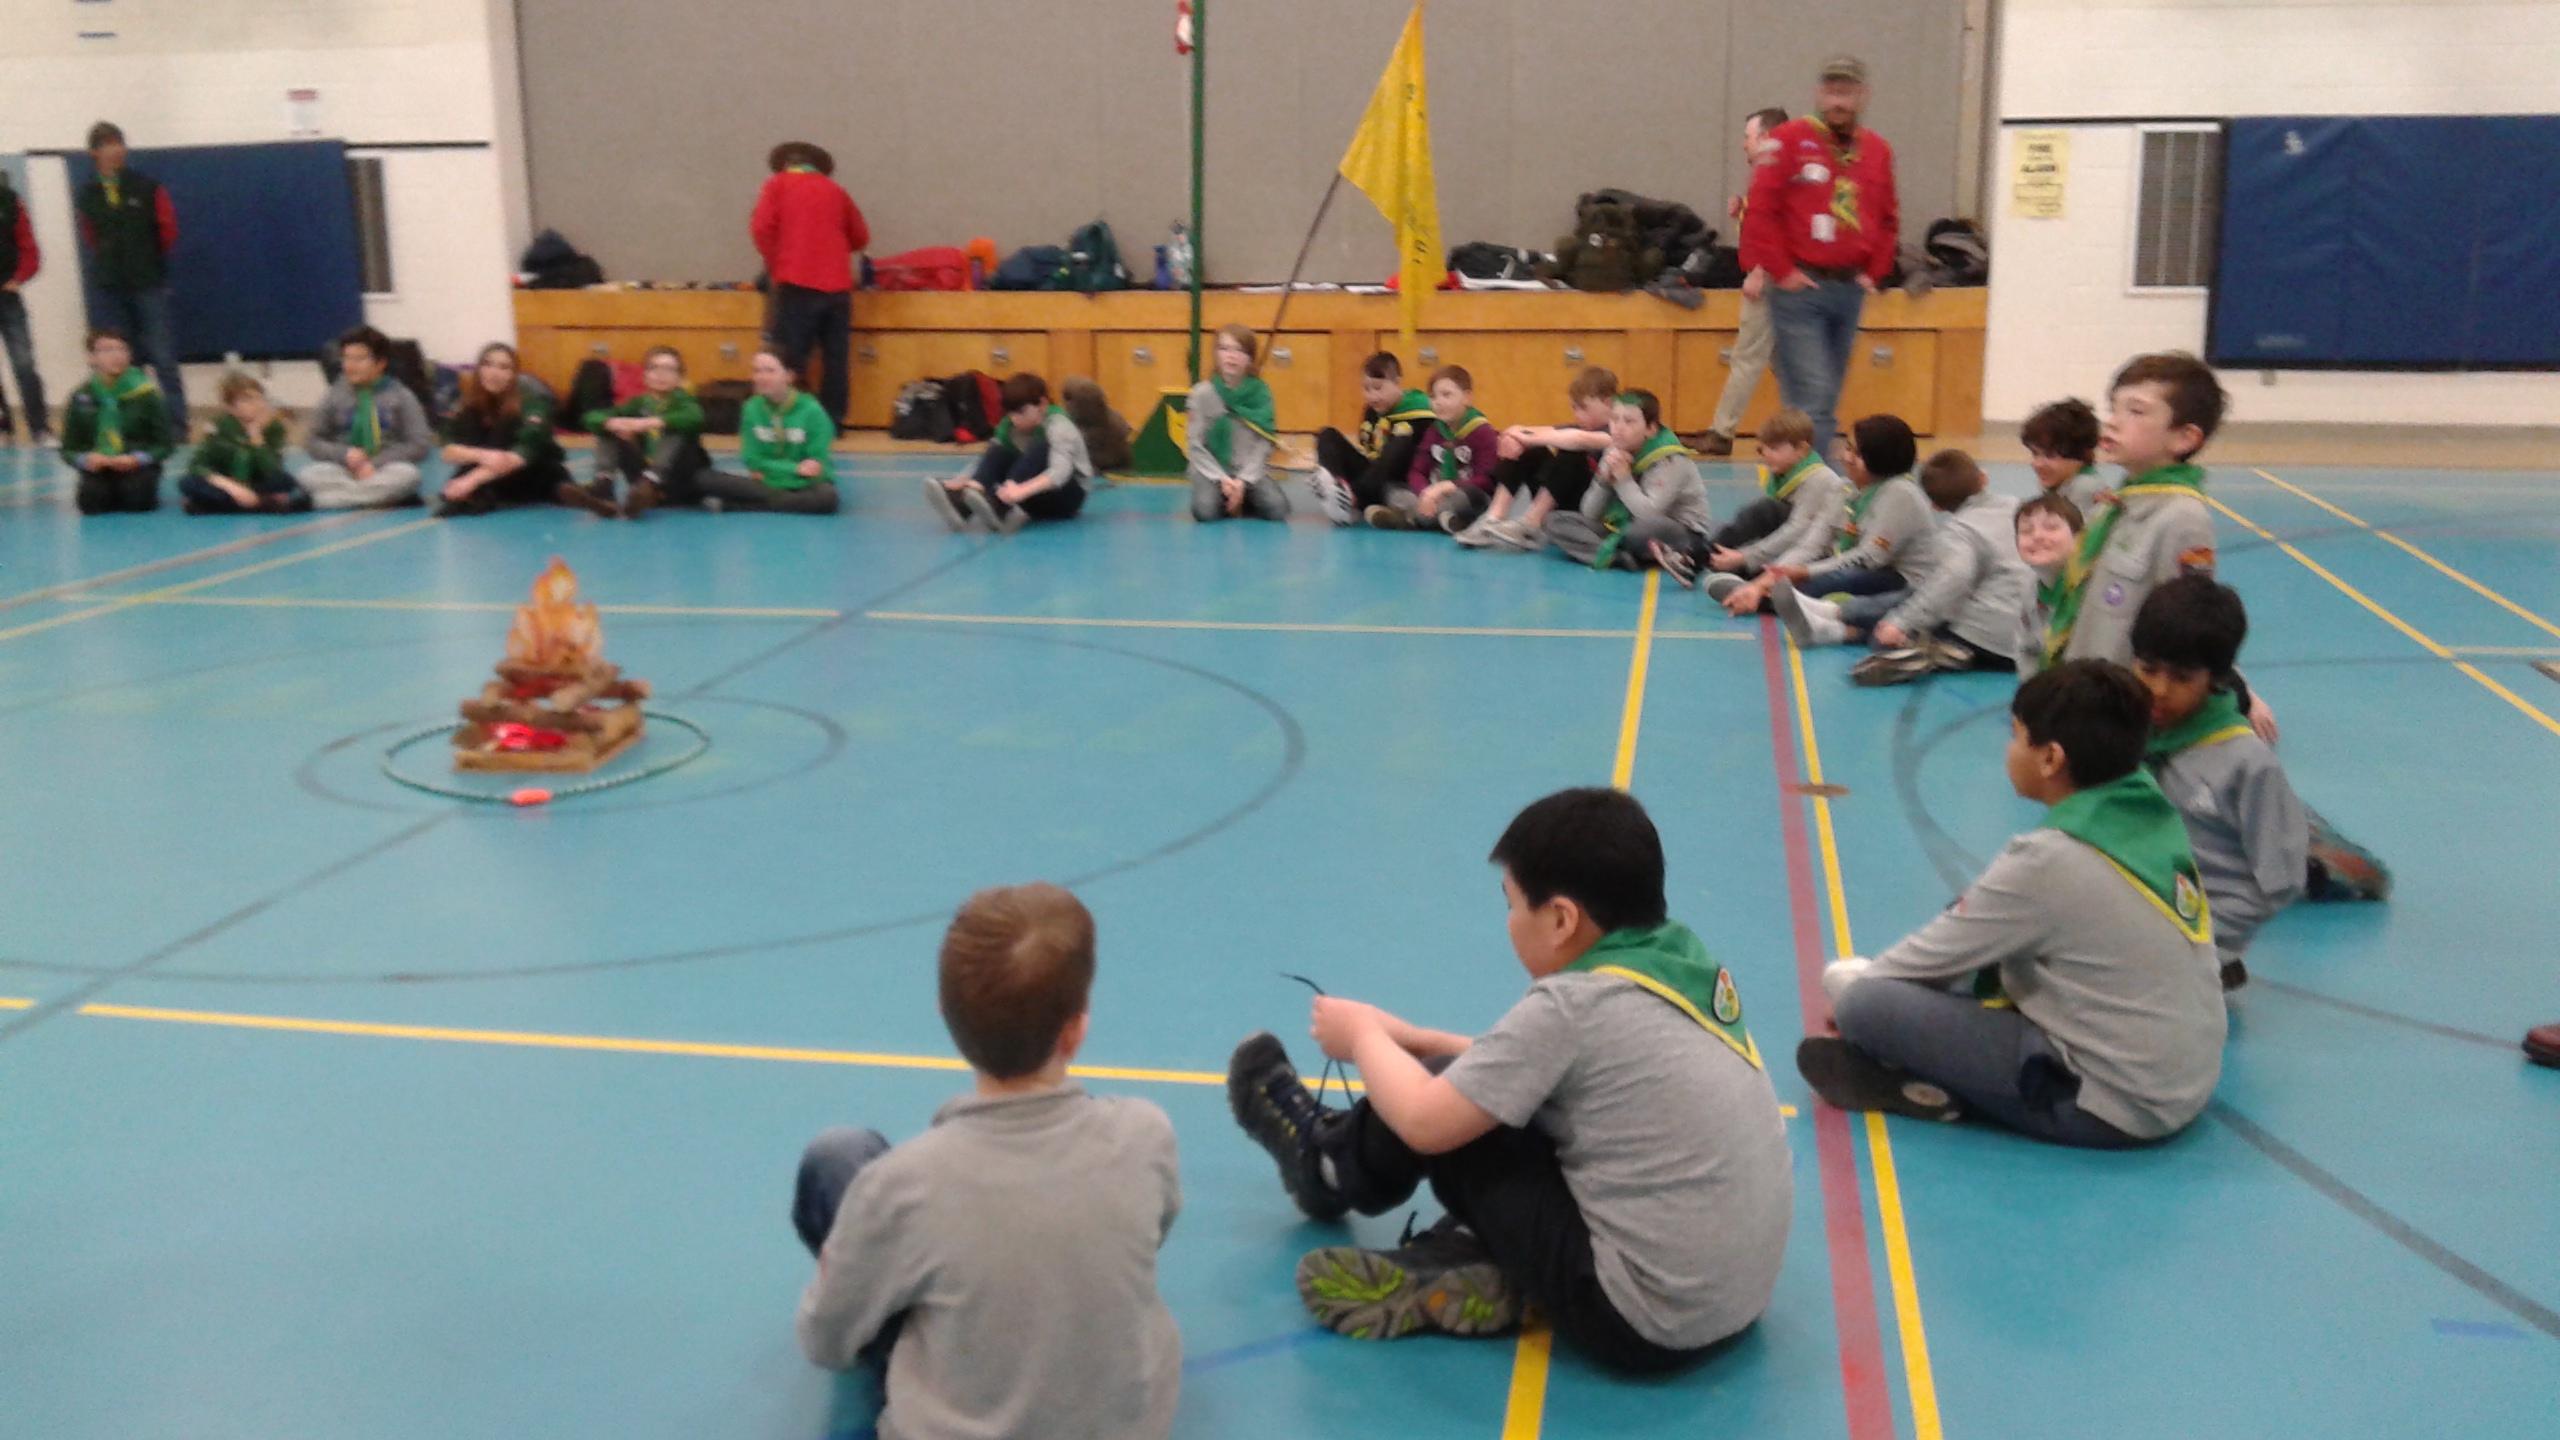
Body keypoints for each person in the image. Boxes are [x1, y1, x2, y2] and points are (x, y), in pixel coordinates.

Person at [1225, 788, 1790, 1369]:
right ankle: (1475, 1255)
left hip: (1636, 1322)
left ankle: (1322, 1164)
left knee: (1447, 1099)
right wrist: (1415, 1037)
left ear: (1561, 919)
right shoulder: (1677, 965)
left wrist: (1363, 1035)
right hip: (1729, 1302)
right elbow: (1536, 1073)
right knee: (1481, 1092)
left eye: (1513, 904)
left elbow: (1424, 1120)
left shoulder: (1571, 1006)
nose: (1509, 922)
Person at [792, 884, 1182, 1440]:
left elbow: (825, 1342)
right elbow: (1155, 1230)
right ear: (1075, 1030)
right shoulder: (1144, 1135)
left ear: (945, 1017)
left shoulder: (902, 1187)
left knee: (837, 1159)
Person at [1800, 661, 2226, 1147]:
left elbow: (1926, 958)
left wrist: (1854, 991)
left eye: (2016, 736)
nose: (2009, 749)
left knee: (1864, 1002)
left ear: (2051, 759)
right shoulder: (2145, 808)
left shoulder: (2049, 860)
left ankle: (1944, 1088)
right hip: (2182, 1085)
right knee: (1979, 929)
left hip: (2106, 1106)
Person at [2131, 575, 2389, 989]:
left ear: (2216, 677)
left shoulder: (2246, 763)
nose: (2159, 689)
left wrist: (2211, 938)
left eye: (2182, 678)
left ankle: (2328, 862)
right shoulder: (2128, 727)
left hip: (2196, 920)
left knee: (2289, 855)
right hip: (2149, 894)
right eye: (2148, 670)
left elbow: (2279, 882)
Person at [2022, 352, 2225, 679]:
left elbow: (2183, 634)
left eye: (2136, 411)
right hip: (2077, 683)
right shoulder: (2114, 505)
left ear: (2184, 438)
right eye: (2113, 408)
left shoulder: (2182, 519)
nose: (2113, 422)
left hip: (2117, 696)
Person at [1742, 58, 1899, 459]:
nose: (1837, 101)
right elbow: (1760, 210)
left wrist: (1875, 272)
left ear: (1863, 96)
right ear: (1818, 94)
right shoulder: (1788, 140)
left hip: (1849, 289)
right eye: (1830, 92)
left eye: (1846, 93)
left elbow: (1888, 218)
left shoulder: (1877, 150)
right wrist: (1782, 271)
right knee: (1814, 395)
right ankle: (1819, 482)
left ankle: (1796, 476)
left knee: (1821, 397)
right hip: (1800, 290)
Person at [1728, 414, 1934, 630]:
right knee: (1807, 573)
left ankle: (1771, 600)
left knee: (1826, 581)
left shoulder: (1900, 495)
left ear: (1879, 459)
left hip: (1902, 581)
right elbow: (1811, 545)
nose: (1843, 456)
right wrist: (1768, 579)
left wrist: (1805, 572)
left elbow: (1868, 559)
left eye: (1855, 453)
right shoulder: (1844, 488)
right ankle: (1760, 594)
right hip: (1858, 568)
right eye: (1847, 447)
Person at [1845, 449, 2034, 682]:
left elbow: (1952, 580)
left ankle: (1927, 650)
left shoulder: (1959, 531)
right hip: (2028, 637)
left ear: (1935, 507)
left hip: (1984, 635)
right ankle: (1842, 622)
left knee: (1885, 634)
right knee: (1910, 602)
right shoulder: (2016, 506)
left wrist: (1901, 623)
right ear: (1984, 478)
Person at [74, 122, 186, 430]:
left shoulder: (147, 187)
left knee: (163, 355)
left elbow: (167, 231)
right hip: (112, 285)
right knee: (121, 358)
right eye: (107, 145)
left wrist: (145, 259)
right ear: (94, 153)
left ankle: (177, 425)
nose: (115, 150)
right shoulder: (88, 194)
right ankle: (134, 424)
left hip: (148, 281)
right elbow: (90, 236)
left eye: (119, 144)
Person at [751, 141, 869, 426]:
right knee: (835, 358)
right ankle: (833, 421)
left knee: (790, 357)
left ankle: (791, 419)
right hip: (838, 288)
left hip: (796, 282)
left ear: (784, 165)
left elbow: (761, 228)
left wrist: (776, 263)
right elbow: (861, 236)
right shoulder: (836, 190)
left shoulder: (777, 185)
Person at [1696, 107, 1789, 459]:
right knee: (1787, 364)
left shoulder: (1777, 175)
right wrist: (1744, 210)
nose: (1743, 144)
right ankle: (1810, 424)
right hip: (1776, 278)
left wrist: (1760, 270)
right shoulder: (1775, 173)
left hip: (1767, 280)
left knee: (1747, 357)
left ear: (1766, 137)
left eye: (1748, 136)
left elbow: (1779, 229)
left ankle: (1722, 432)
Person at [1453, 365, 1617, 552]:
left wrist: (1527, 438)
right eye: (1574, 408)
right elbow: (1533, 431)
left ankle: (1531, 523)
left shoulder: (1615, 434)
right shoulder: (1579, 427)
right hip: (1564, 498)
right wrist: (1514, 437)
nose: (1577, 415)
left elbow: (1578, 439)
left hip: (1591, 507)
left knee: (1570, 452)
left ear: (1608, 403)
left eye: (1584, 408)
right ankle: (1493, 517)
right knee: (1530, 450)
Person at [1545, 391, 1712, 571]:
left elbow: (1649, 515)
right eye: (1614, 419)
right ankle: (1618, 558)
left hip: (1679, 531)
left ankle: (1630, 552)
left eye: (1629, 421)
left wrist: (1623, 480)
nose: (1618, 428)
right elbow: (1589, 514)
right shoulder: (1614, 450)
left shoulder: (1670, 460)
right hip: (1627, 527)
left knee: (1638, 531)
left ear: (1650, 429)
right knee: (1555, 520)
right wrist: (1604, 482)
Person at [1691, 408, 1849, 594]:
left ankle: (1707, 559)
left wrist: (1745, 557)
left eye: (1774, 449)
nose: (1765, 454)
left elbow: (1797, 533)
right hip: (1798, 547)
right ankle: (1708, 557)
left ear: (1801, 450)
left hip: (1822, 554)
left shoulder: (1818, 479)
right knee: (1742, 553)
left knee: (1764, 512)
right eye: (1762, 449)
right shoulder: (1784, 475)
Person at [924, 372, 1093, 535]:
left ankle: (1000, 504)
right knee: (998, 450)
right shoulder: (1009, 427)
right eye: (1010, 413)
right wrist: (962, 481)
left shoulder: (1059, 426)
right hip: (1030, 500)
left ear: (1042, 404)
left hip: (1067, 498)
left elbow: (1060, 472)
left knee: (1040, 448)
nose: (1014, 419)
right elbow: (989, 459)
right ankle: (964, 505)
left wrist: (1021, 490)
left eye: (1021, 412)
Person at [437, 342, 587, 518]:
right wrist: (483, 456)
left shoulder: (532, 401)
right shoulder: (467, 404)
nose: (494, 373)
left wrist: (470, 481)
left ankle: (559, 490)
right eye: (487, 364)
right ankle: (476, 493)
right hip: (491, 467)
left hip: (531, 469)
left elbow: (525, 452)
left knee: (506, 425)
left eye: (504, 367)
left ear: (513, 374)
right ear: (479, 369)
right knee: (470, 425)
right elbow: (447, 450)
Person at [301, 324, 430, 510]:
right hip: (342, 468)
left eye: (359, 359)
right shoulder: (334, 394)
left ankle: (324, 501)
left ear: (380, 363)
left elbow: (419, 444)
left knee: (409, 475)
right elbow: (313, 440)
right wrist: (344, 454)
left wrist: (373, 463)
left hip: (384, 468)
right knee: (309, 475)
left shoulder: (401, 395)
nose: (349, 366)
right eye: (346, 358)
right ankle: (378, 497)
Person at [702, 347, 839, 514]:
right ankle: (786, 501)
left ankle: (746, 505)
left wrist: (771, 472)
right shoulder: (751, 408)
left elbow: (815, 466)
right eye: (757, 371)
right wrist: (794, 469)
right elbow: (752, 459)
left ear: (789, 376)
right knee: (705, 480)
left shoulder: (812, 411)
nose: (762, 377)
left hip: (804, 484)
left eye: (770, 371)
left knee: (826, 498)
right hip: (775, 481)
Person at [1366, 365, 1498, 534]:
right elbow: (1417, 470)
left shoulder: (1482, 431)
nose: (1438, 402)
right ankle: (1443, 520)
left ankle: (1410, 518)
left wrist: (1447, 486)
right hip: (1431, 496)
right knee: (1391, 489)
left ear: (1467, 397)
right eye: (1433, 397)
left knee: (1469, 497)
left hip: (1462, 493)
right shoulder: (1434, 430)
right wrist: (1425, 492)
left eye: (1446, 395)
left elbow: (1486, 479)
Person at [1308, 351, 1434, 526]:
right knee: (1327, 435)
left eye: (1378, 388)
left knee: (1401, 438)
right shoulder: (1372, 411)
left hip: (1399, 482)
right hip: (1373, 477)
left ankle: (1353, 497)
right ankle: (1336, 488)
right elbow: (1369, 449)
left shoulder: (1421, 413)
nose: (1372, 396)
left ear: (1397, 383)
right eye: (1366, 389)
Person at [585, 345, 707, 518]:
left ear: (680, 378)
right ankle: (604, 485)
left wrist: (648, 423)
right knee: (609, 427)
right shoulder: (640, 403)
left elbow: (695, 417)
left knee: (674, 427)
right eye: (654, 368)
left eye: (669, 369)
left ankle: (653, 480)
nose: (661, 375)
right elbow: (591, 418)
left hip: (678, 480)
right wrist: (611, 422)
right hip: (641, 484)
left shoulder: (685, 402)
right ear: (645, 375)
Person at [59, 328, 170, 514]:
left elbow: (164, 445)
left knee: (136, 499)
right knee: (91, 502)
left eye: (122, 349)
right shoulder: (81, 396)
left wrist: (137, 459)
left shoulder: (146, 394)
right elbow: (68, 448)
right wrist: (85, 459)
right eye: (107, 350)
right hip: (99, 464)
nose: (116, 356)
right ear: (91, 358)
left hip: (134, 463)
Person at [1186, 324, 1287, 523]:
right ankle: (1229, 496)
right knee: (1205, 512)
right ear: (1216, 354)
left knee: (1278, 509)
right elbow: (1195, 445)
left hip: (1248, 470)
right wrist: (1222, 479)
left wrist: (1243, 481)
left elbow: (1264, 442)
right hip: (1212, 471)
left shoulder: (1261, 393)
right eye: (1224, 349)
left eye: (1239, 350)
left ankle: (1241, 497)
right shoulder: (1201, 393)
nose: (1231, 356)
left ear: (1249, 358)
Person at [180, 372, 305, 514]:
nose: (257, 405)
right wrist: (231, 487)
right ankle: (261, 503)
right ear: (231, 407)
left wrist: (257, 439)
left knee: (285, 481)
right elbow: (197, 465)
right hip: (226, 481)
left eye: (260, 398)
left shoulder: (274, 427)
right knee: (187, 482)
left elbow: (272, 469)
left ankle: (210, 506)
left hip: (256, 481)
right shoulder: (218, 427)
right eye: (247, 400)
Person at [0, 169, 52, 444]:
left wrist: (19, 278)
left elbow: (29, 247)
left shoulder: (10, 201)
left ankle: (40, 428)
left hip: (7, 297)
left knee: (24, 363)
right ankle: (3, 425)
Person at [2022, 397, 2107, 513]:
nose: (2038, 464)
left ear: (2079, 456)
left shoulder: (2084, 488)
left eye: (2050, 455)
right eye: (2035, 453)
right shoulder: (2059, 485)